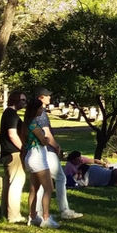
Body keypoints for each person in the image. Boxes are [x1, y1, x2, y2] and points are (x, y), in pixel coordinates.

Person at [32, 88, 83, 220]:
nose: (49, 98)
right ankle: (64, 209)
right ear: (40, 98)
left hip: (39, 151)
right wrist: (56, 146)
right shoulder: (41, 113)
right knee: (60, 178)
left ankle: (37, 211)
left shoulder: (33, 113)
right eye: (47, 96)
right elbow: (46, 133)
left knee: (43, 182)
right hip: (47, 151)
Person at [21, 98, 60, 229]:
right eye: (40, 108)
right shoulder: (34, 124)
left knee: (34, 188)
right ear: (35, 109)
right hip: (38, 157)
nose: (42, 110)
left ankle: (32, 216)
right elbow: (43, 141)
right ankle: (46, 218)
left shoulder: (25, 124)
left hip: (30, 157)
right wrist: (47, 139)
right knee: (49, 188)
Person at [0, 91, 27, 223]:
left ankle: (6, 211)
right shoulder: (11, 115)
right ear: (16, 100)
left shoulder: (7, 114)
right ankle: (14, 215)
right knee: (17, 182)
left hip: (7, 153)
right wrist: (23, 148)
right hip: (13, 153)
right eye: (23, 100)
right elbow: (12, 134)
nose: (24, 103)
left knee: (9, 183)